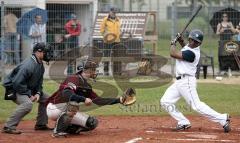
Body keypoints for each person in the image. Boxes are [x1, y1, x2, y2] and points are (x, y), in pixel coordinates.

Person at [160, 29, 231, 133]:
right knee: (165, 101)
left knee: (197, 106)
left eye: (196, 41)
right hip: (179, 82)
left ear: (199, 43)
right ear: (189, 39)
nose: (193, 42)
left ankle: (222, 118)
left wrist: (173, 43)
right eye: (192, 40)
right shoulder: (189, 47)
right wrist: (180, 40)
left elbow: (173, 53)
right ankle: (183, 122)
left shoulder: (193, 53)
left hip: (186, 82)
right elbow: (185, 47)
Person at [45, 58, 132, 137]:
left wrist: (119, 100)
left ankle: (65, 127)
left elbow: (99, 101)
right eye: (93, 70)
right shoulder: (74, 78)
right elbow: (66, 93)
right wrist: (83, 99)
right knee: (74, 104)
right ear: (87, 70)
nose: (95, 72)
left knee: (92, 123)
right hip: (54, 107)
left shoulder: (87, 86)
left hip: (66, 110)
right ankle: (58, 131)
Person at [2, 43, 52, 134]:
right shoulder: (28, 65)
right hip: (14, 89)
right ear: (38, 52)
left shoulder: (40, 65)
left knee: (48, 99)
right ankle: (8, 126)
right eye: (46, 52)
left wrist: (38, 93)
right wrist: (29, 95)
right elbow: (17, 83)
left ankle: (41, 124)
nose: (48, 54)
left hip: (26, 88)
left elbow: (39, 83)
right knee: (27, 104)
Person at [100, 7, 122, 75]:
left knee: (117, 56)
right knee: (106, 56)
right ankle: (106, 71)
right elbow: (102, 30)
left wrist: (120, 34)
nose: (114, 13)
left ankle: (116, 72)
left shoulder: (118, 19)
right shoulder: (105, 19)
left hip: (117, 40)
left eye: (115, 12)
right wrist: (106, 37)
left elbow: (119, 29)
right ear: (110, 12)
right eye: (113, 12)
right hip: (108, 41)